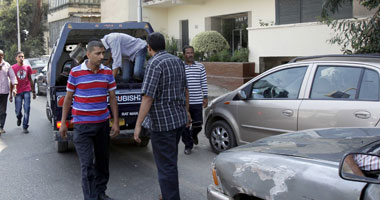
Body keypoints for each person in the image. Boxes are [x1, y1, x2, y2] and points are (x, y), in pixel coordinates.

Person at [59, 41, 120, 200]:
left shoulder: (107, 73)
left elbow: (112, 98)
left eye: (103, 53)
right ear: (88, 54)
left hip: (102, 125)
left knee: (102, 163)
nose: (102, 56)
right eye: (98, 53)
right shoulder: (75, 73)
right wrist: (63, 122)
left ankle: (100, 193)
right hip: (82, 126)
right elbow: (68, 99)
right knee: (87, 166)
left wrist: (115, 122)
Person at [134, 32, 191, 200]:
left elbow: (147, 97)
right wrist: (187, 111)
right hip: (178, 120)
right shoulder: (178, 61)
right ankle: (168, 193)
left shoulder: (154, 63)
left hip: (162, 124)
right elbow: (185, 89)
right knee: (170, 162)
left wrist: (138, 125)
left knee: (166, 166)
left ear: (149, 47)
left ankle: (170, 197)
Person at [181, 45, 208, 155]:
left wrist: (205, 96)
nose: (190, 54)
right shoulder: (180, 67)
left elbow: (204, 82)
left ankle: (193, 134)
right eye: (187, 53)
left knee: (198, 125)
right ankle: (188, 145)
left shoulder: (200, 67)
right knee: (185, 126)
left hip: (197, 101)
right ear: (184, 55)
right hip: (184, 102)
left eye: (191, 52)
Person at [12, 51, 36, 133]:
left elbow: (30, 79)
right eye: (19, 56)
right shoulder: (13, 68)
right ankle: (19, 117)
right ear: (16, 58)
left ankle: (25, 126)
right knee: (18, 110)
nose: (21, 58)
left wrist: (33, 91)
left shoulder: (28, 68)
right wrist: (12, 92)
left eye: (22, 56)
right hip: (18, 91)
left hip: (26, 90)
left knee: (27, 108)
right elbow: (12, 80)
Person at [0, 50, 18, 135]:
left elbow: (13, 77)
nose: (0, 56)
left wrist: (14, 88)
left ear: (3, 55)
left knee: (3, 111)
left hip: (4, 92)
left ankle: (1, 127)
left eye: (1, 55)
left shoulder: (7, 65)